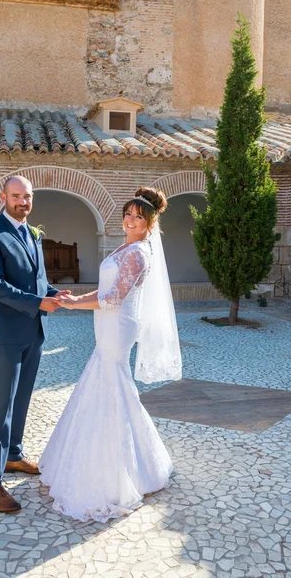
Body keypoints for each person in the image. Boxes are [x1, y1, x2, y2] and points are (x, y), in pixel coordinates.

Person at [39, 187, 182, 522]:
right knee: (105, 380)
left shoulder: (137, 253)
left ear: (150, 223)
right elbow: (105, 290)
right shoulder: (127, 246)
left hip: (118, 325)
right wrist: (77, 297)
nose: (130, 220)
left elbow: (115, 297)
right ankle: (130, 459)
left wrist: (75, 304)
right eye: (128, 214)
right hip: (108, 322)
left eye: (138, 217)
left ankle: (125, 470)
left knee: (114, 384)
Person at [0, 175, 70, 514]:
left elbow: (38, 281)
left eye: (27, 196)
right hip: (5, 334)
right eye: (16, 196)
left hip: (34, 332)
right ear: (4, 196)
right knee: (0, 403)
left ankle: (13, 456)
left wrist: (54, 295)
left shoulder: (32, 234)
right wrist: (37, 302)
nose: (22, 202)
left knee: (22, 398)